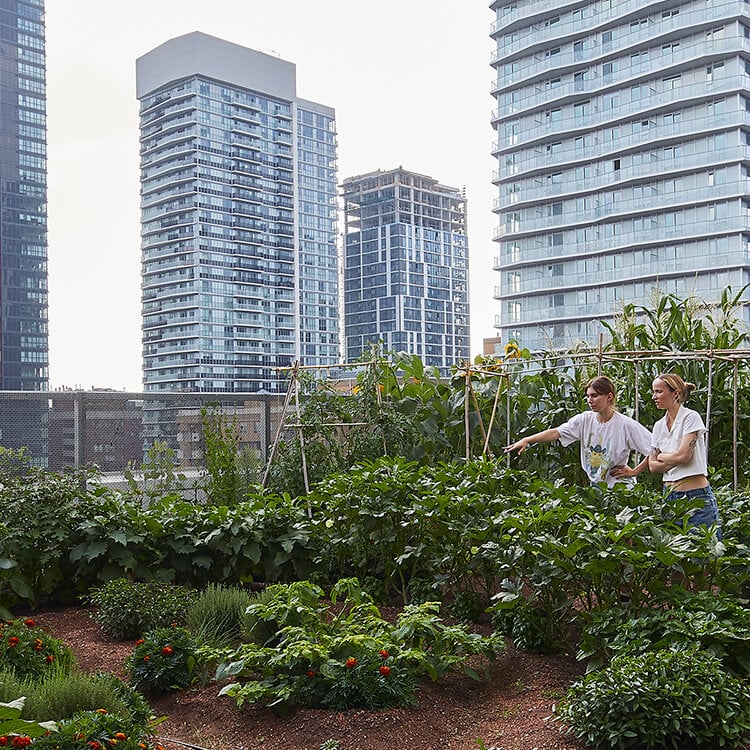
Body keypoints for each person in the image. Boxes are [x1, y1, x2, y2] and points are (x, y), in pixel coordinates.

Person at [504, 375, 653, 487]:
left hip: (620, 488)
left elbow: (655, 448)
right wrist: (527, 440)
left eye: (595, 395)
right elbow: (556, 432)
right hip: (595, 487)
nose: (590, 400)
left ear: (609, 397)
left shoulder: (625, 425)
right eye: (588, 396)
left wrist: (635, 471)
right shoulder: (584, 420)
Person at [647, 373, 721, 536]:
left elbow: (684, 457)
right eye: (654, 392)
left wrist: (661, 456)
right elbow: (652, 466)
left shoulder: (690, 417)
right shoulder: (658, 426)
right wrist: (675, 457)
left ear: (675, 393)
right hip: (669, 497)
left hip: (696, 497)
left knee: (705, 553)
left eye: (659, 391)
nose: (654, 397)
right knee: (675, 558)